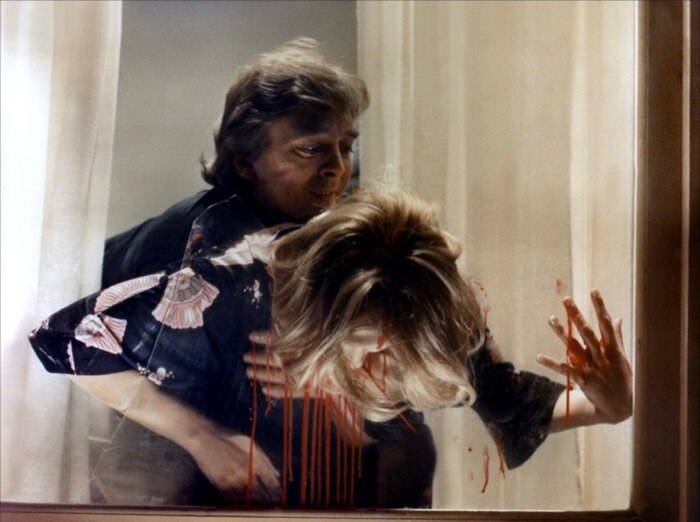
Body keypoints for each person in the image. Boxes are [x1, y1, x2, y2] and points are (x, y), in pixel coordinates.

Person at [30, 38, 633, 507]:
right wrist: (203, 434)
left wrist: (607, 406)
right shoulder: (208, 261)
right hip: (189, 478)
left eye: (346, 146)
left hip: (333, 478)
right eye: (310, 149)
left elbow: (496, 396)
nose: (337, 168)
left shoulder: (367, 254)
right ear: (246, 159)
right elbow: (71, 339)